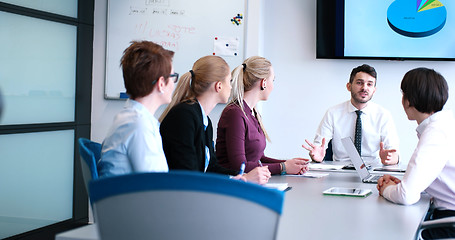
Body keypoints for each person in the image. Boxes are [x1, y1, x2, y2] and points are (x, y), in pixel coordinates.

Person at [159, 55, 270, 184]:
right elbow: (188, 175)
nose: (231, 87)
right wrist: (242, 180)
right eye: (229, 81)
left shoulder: (205, 121)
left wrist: (243, 176)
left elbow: (211, 168)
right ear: (218, 86)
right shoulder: (184, 116)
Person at [377, 68, 455, 239]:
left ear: (408, 100)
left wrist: (386, 189)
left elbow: (406, 196)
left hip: (449, 222)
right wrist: (402, 184)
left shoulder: (436, 133)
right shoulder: (444, 125)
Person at [216, 56, 309, 175]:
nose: (273, 86)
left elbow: (258, 159)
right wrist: (283, 167)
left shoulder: (252, 112)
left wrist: (289, 164)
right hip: (233, 184)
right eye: (273, 80)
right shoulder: (235, 113)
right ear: (263, 83)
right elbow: (239, 165)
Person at [98, 41, 176, 177]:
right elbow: (155, 186)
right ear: (161, 84)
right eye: (173, 77)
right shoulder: (139, 125)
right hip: (133, 197)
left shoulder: (133, 117)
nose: (174, 84)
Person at [302, 64, 399, 165]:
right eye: (359, 83)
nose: (364, 88)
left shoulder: (383, 115)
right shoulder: (333, 113)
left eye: (369, 84)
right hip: (340, 171)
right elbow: (319, 147)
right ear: (349, 86)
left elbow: (394, 153)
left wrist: (391, 159)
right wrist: (317, 157)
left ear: (374, 90)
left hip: (373, 170)